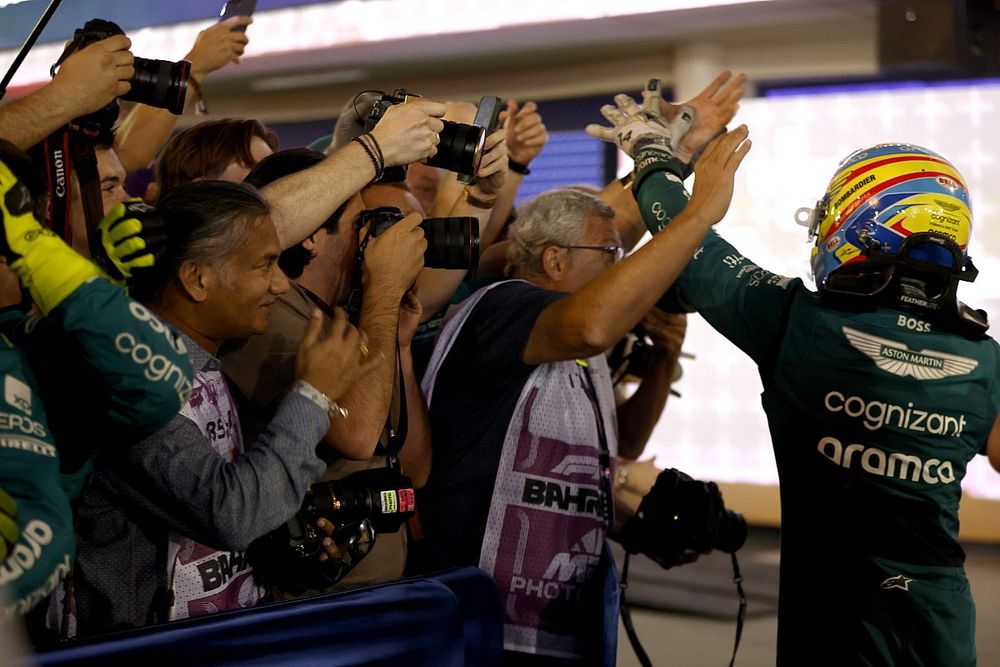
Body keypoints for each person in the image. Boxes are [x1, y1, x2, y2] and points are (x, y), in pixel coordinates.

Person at [589, 78, 1000, 666]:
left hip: (834, 614)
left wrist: (654, 154)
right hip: (940, 620)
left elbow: (695, 247)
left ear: (860, 224)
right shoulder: (986, 359)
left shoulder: (794, 322)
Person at [415, 75, 750, 661]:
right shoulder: (501, 308)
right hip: (480, 626)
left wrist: (634, 522)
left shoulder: (573, 344)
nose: (619, 267)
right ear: (552, 259)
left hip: (556, 625)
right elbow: (594, 321)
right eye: (610, 257)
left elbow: (598, 455)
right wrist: (695, 217)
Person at [71, 181, 375, 635]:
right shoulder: (131, 378)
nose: (280, 283)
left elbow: (221, 519)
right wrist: (313, 395)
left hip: (221, 640)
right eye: (264, 264)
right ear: (197, 278)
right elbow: (231, 513)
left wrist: (282, 553)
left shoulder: (206, 360)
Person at [0, 143, 192, 621]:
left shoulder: (32, 352)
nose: (124, 203)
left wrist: (28, 244)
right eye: (108, 187)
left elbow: (162, 382)